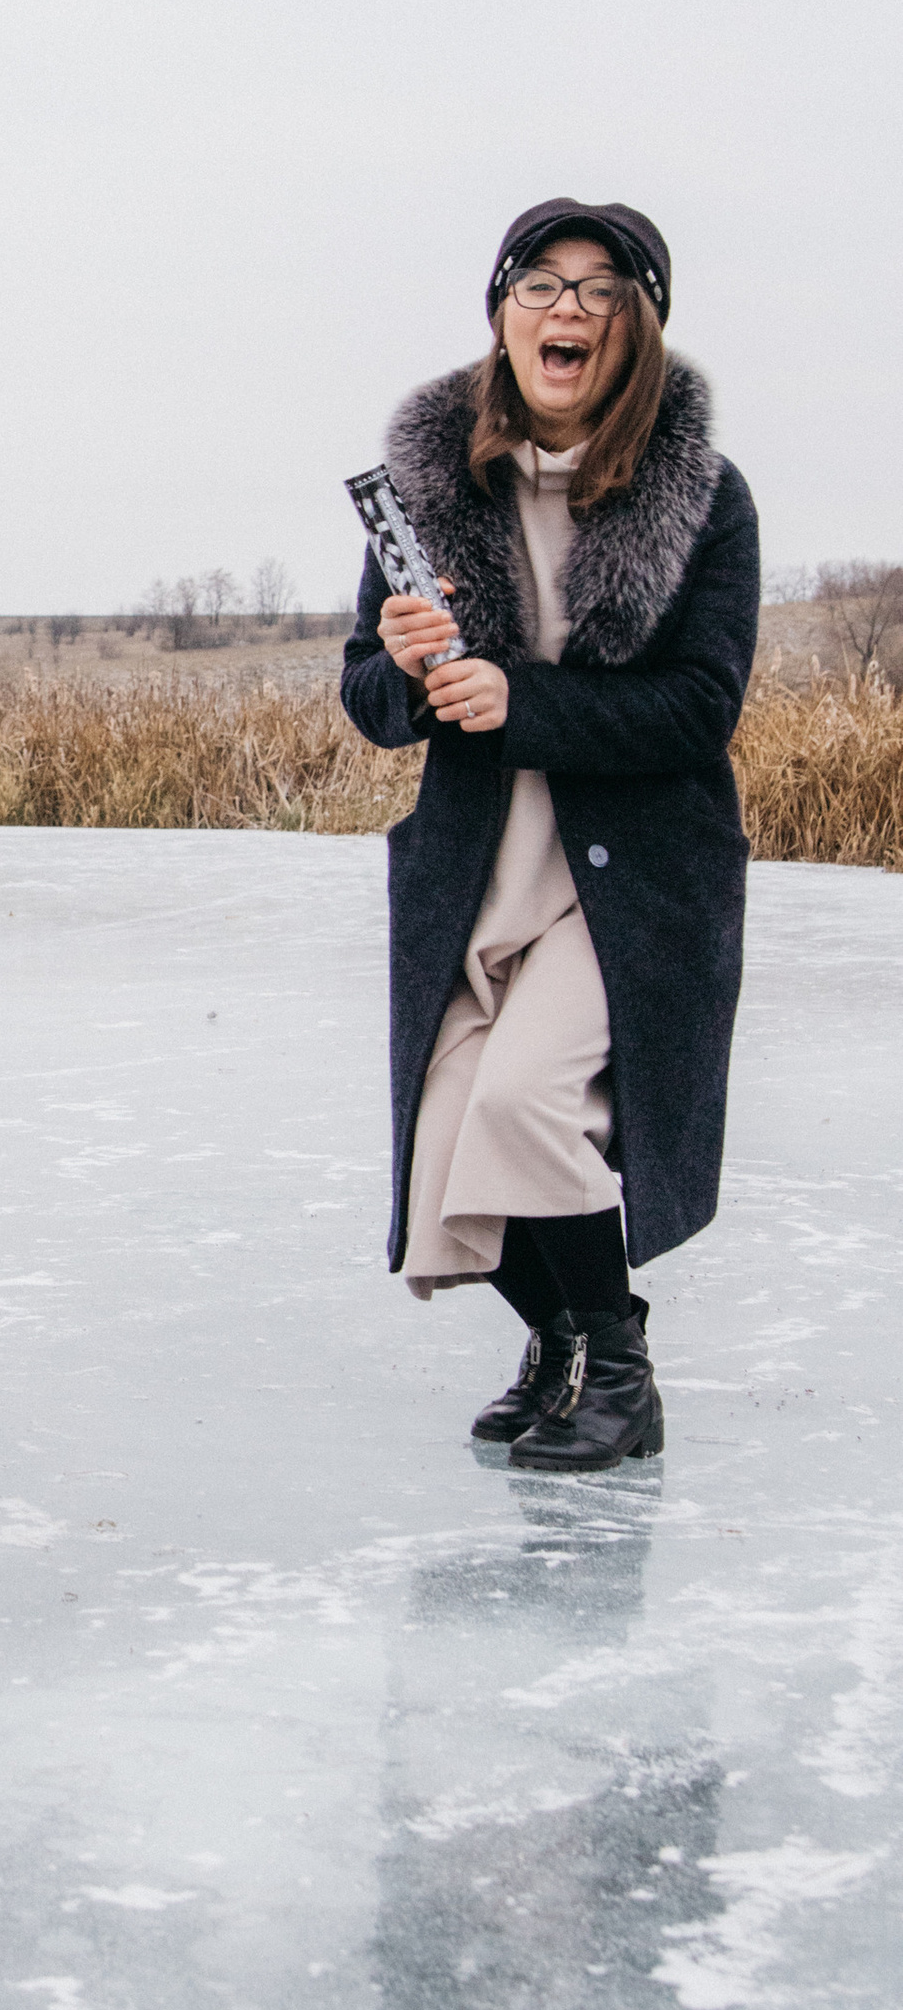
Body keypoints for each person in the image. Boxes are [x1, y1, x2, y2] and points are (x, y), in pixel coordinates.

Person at [340, 202, 759, 1471]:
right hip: (478, 870)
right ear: (499, 312)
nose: (564, 308)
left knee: (525, 1105)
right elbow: (367, 697)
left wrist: (527, 702)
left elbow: (701, 707)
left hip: (630, 877)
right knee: (455, 1130)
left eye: (600, 288)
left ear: (638, 328)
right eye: (539, 282)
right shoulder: (425, 487)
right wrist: (408, 672)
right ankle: (567, 1343)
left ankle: (617, 1372)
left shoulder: (703, 498)